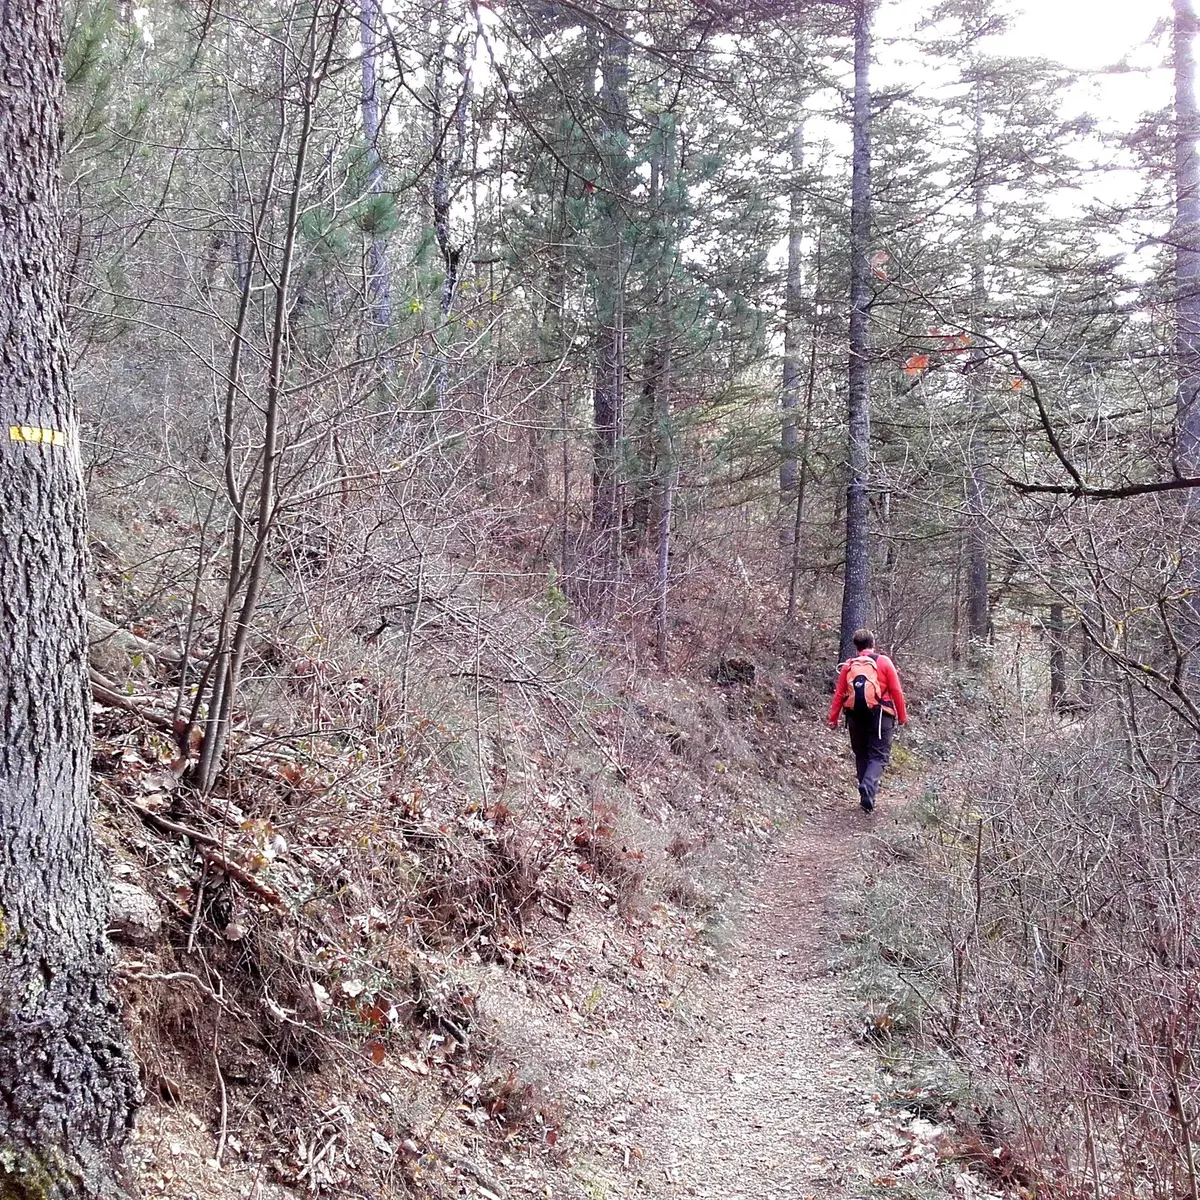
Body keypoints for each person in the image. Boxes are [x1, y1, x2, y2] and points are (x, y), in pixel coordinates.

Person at [827, 628, 908, 813]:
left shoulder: (849, 665)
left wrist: (833, 718)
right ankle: (868, 788)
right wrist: (902, 716)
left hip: (855, 715)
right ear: (873, 644)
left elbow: (839, 694)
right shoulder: (884, 662)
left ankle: (866, 795)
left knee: (862, 754)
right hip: (881, 715)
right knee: (878, 756)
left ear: (856, 646)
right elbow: (896, 691)